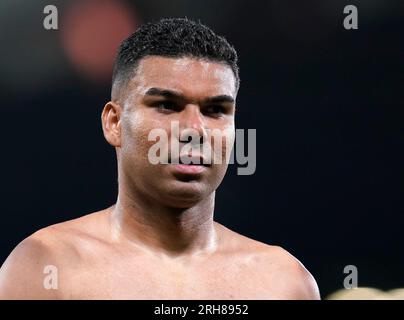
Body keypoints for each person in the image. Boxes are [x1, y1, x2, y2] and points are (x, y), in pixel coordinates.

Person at [0, 18, 320, 299]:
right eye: (166, 105)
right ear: (114, 123)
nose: (194, 130)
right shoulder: (46, 268)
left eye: (215, 110)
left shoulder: (285, 282)